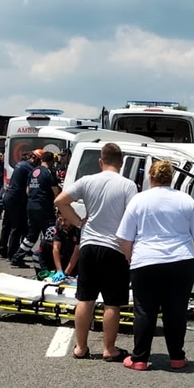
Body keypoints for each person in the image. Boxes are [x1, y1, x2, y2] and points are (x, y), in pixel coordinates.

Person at [116, 159, 194, 371]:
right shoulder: (186, 201)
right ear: (172, 178)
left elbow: (125, 238)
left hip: (145, 260)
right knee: (175, 310)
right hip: (180, 260)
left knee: (144, 310)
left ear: (151, 176)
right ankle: (176, 357)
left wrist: (131, 258)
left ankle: (139, 358)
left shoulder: (139, 201)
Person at [55, 142, 138, 362]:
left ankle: (80, 347)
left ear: (101, 162)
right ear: (121, 163)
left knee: (85, 298)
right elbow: (132, 216)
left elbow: (60, 201)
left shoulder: (87, 181)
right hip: (114, 248)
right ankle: (109, 349)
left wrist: (78, 223)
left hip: (89, 245)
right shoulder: (128, 185)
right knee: (112, 302)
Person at [11, 151, 61, 267]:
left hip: (31, 206)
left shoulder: (33, 171)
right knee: (51, 233)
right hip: (44, 207)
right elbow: (56, 192)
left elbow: (28, 191)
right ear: (51, 161)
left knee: (32, 235)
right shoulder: (49, 173)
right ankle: (48, 261)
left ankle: (17, 257)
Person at [0, 149, 38, 260]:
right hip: (16, 199)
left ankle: (3, 250)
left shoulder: (20, 164)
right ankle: (13, 254)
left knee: (7, 225)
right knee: (17, 227)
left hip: (9, 196)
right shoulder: (29, 168)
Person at [37, 211, 81, 281]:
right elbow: (56, 248)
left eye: (65, 220)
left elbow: (76, 254)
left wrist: (66, 273)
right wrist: (59, 270)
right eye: (60, 220)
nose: (63, 223)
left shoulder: (79, 228)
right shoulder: (59, 224)